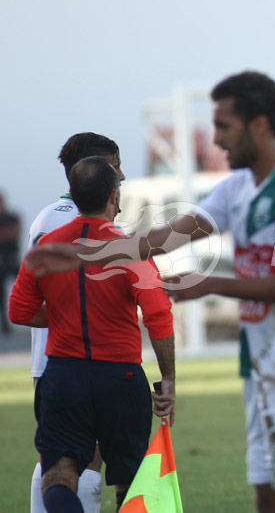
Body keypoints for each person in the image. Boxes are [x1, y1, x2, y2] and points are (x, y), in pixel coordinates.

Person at [26, 71, 275, 513]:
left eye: (224, 126)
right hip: (261, 364)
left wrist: (212, 283)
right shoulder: (236, 188)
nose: (216, 139)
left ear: (257, 125)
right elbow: (163, 240)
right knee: (267, 493)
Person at [9, 156, 175, 513]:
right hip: (120, 376)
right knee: (130, 481)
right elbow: (158, 314)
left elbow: (18, 311)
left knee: (59, 478)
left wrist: (63, 314)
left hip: (65, 375)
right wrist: (169, 378)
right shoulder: (130, 251)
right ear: (114, 197)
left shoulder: (45, 248)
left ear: (73, 193)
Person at [25, 132, 126, 513]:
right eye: (116, 167)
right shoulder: (69, 220)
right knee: (82, 462)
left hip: (57, 361)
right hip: (71, 359)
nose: (123, 177)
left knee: (59, 460)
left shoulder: (51, 216)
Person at [0, 192, 21, 333]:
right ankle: (5, 325)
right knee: (1, 294)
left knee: (23, 286)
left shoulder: (13, 216)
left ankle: (27, 314)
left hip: (12, 258)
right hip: (2, 260)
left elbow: (17, 232)